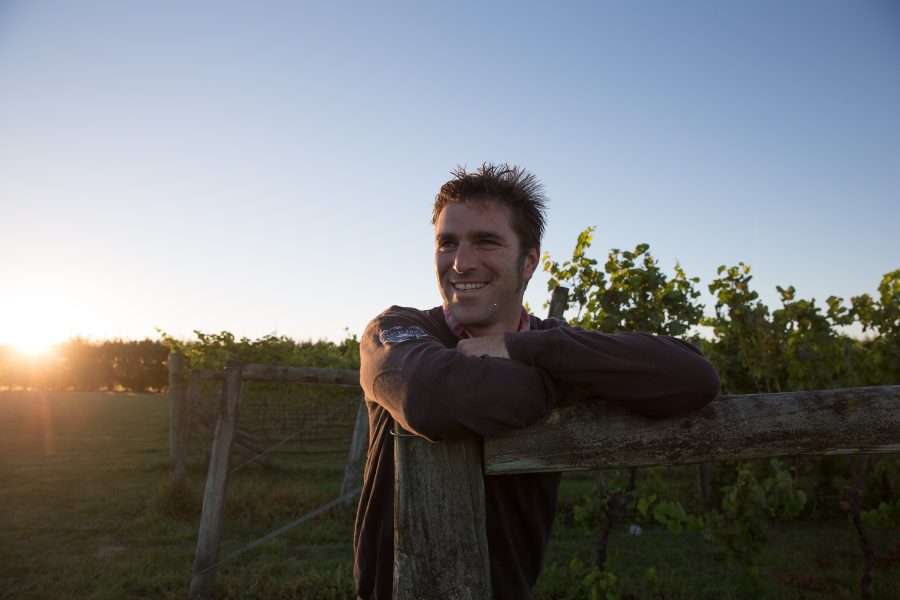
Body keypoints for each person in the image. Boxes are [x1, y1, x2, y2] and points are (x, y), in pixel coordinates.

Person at [353, 163, 720, 599]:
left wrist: (522, 349)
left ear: (529, 262)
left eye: (486, 241)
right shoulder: (397, 330)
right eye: (447, 243)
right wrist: (567, 382)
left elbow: (693, 375)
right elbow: (430, 398)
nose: (460, 263)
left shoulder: (555, 345)